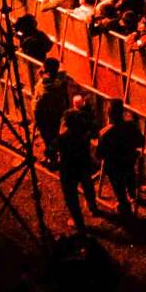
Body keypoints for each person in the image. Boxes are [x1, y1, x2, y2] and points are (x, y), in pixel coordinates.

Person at [56, 93, 100, 232]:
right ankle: (93, 207)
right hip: (83, 161)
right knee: (87, 184)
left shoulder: (63, 136)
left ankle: (79, 223)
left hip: (68, 168)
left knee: (71, 196)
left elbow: (51, 149)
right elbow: (94, 132)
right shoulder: (84, 125)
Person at [95, 99, 143, 219]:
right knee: (130, 178)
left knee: (119, 187)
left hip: (114, 167)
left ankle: (125, 207)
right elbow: (141, 141)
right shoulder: (130, 126)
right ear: (122, 112)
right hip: (128, 161)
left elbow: (99, 155)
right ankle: (133, 197)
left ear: (108, 114)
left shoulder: (104, 133)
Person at [32, 56, 71, 166]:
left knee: (48, 137)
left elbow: (37, 105)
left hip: (44, 116)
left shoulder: (44, 87)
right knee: (55, 135)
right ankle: (56, 156)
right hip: (57, 113)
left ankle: (52, 159)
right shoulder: (60, 80)